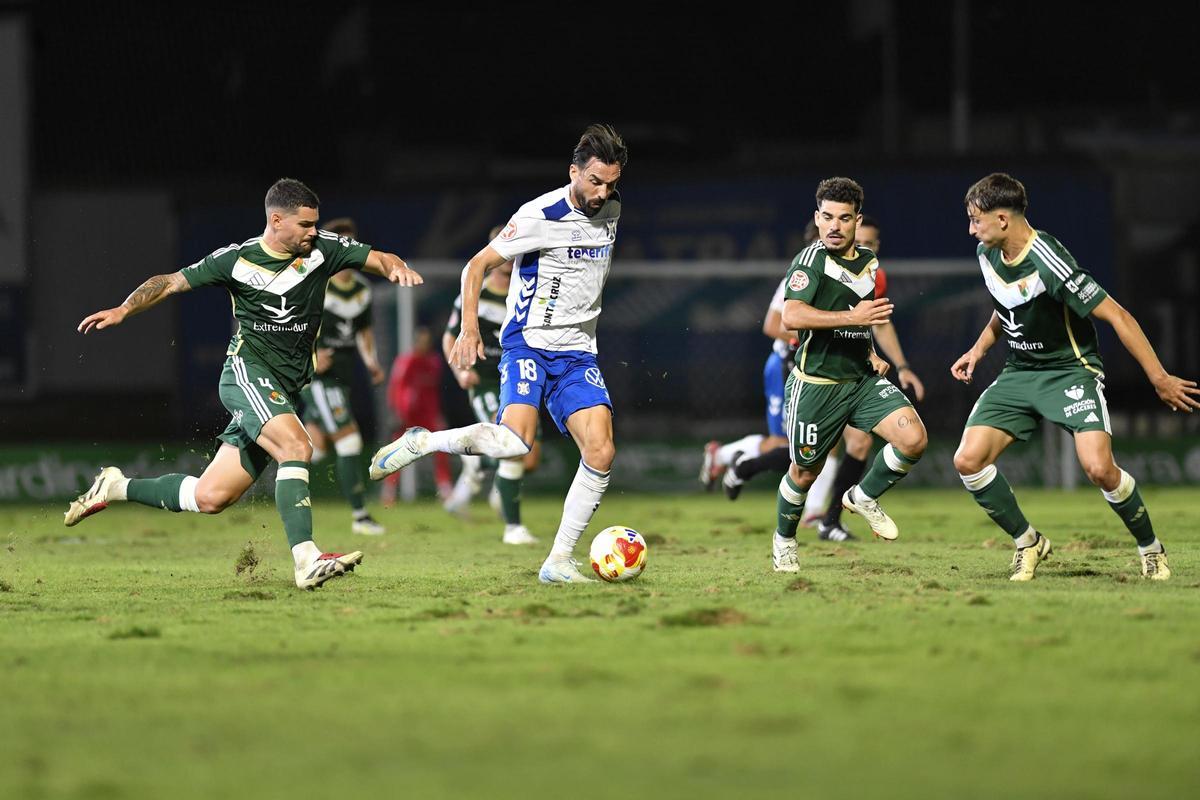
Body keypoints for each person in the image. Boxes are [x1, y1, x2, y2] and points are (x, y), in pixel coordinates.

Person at [66, 178, 422, 590]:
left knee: (211, 497)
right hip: (247, 374)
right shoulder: (235, 260)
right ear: (276, 220)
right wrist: (124, 309)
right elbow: (170, 281)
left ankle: (115, 487)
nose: (313, 231)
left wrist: (396, 266)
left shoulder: (324, 248)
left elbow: (378, 258)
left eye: (315, 224)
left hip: (282, 388)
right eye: (305, 224)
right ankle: (306, 560)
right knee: (297, 446)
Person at [370, 123, 628, 584]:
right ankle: (423, 441)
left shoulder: (612, 209)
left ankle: (557, 562)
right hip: (528, 342)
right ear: (574, 172)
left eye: (611, 183)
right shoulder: (538, 214)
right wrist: (469, 328)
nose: (603, 191)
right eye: (595, 181)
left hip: (578, 353)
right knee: (514, 444)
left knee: (602, 451)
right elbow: (476, 265)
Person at [951, 173, 1199, 581]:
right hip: (1020, 372)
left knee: (1099, 469)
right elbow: (1005, 306)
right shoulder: (987, 254)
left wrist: (1159, 377)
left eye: (976, 220)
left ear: (1002, 219)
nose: (971, 229)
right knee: (968, 460)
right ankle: (1027, 542)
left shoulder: (1051, 261)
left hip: (1069, 371)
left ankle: (1150, 549)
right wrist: (978, 351)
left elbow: (1118, 315)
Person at [769, 177, 928, 573]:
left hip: (861, 381)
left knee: (914, 439)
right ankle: (784, 540)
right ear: (816, 218)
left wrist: (871, 350)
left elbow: (863, 319)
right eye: (827, 218)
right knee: (805, 472)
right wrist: (851, 317)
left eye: (843, 218)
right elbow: (791, 315)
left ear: (858, 221)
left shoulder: (868, 263)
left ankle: (863, 496)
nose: (834, 226)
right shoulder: (810, 261)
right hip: (817, 386)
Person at [810, 215, 925, 541]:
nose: (868, 248)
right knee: (807, 452)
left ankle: (831, 519)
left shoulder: (874, 274)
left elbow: (878, 323)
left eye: (874, 244)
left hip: (855, 371)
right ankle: (742, 465)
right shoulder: (819, 266)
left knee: (859, 443)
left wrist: (900, 365)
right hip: (815, 371)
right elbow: (792, 319)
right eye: (863, 241)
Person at [441, 225, 541, 545]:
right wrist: (459, 373)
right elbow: (449, 337)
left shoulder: (529, 294)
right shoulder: (475, 293)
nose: (509, 260)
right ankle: (513, 527)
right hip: (484, 381)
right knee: (510, 446)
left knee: (530, 456)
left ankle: (478, 465)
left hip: (520, 378)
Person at [298, 217, 388, 536]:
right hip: (318, 379)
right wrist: (311, 357)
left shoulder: (363, 290)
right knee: (349, 440)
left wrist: (372, 361)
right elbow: (293, 326)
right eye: (341, 246)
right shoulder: (314, 283)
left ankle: (262, 470)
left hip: (344, 375)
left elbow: (363, 330)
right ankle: (360, 516)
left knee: (312, 449)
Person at [379, 327, 453, 502]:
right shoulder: (406, 361)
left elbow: (433, 391)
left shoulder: (434, 362)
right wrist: (396, 411)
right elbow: (396, 387)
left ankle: (445, 489)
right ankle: (389, 490)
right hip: (408, 415)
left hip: (428, 414)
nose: (424, 344)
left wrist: (438, 413)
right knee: (399, 451)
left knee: (441, 448)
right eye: (421, 340)